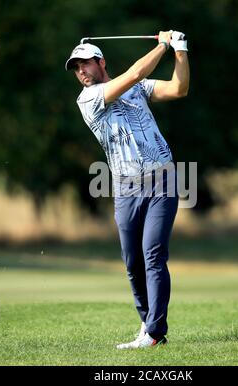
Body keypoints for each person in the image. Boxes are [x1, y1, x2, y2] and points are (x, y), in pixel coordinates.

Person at [65, 30, 190, 348]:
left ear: (100, 62)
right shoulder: (88, 99)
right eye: (76, 67)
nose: (80, 71)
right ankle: (148, 326)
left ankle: (153, 332)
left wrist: (180, 51)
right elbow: (135, 73)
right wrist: (162, 44)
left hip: (163, 179)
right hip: (125, 189)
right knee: (132, 261)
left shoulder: (137, 89)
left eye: (85, 64)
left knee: (153, 254)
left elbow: (179, 89)